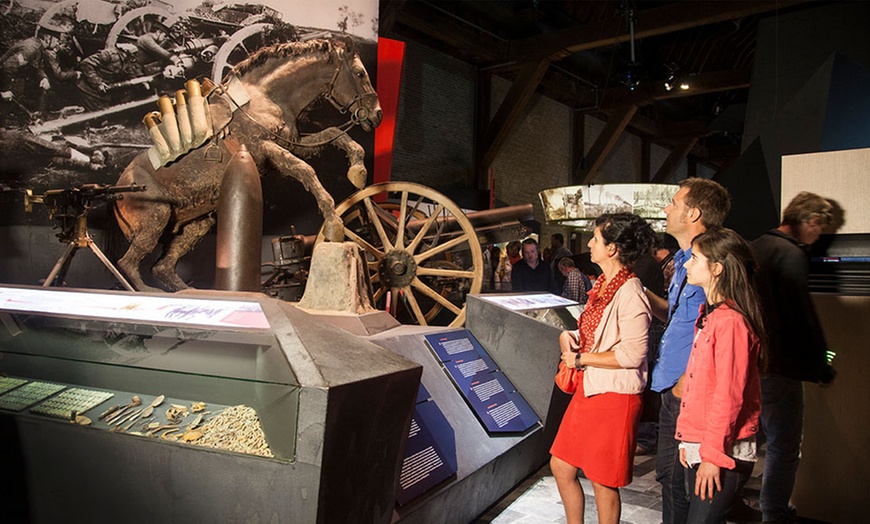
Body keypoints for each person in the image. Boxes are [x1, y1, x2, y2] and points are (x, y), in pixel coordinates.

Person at [550, 213, 656, 524]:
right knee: (561, 465)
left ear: (611, 249)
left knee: (603, 480)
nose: (590, 244)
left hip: (615, 397)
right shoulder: (605, 285)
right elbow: (597, 334)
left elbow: (634, 353)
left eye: (595, 239)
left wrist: (581, 360)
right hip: (592, 388)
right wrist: (570, 336)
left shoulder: (631, 291)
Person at [645, 178, 731, 524]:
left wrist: (685, 384)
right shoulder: (684, 260)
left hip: (690, 393)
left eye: (673, 202)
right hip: (675, 388)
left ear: (693, 212)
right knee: (670, 479)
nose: (666, 209)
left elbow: (719, 334)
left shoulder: (709, 262)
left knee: (688, 484)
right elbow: (681, 316)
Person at [751, 192, 835, 524]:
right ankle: (774, 513)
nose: (819, 237)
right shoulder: (790, 254)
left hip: (752, 363)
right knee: (784, 448)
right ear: (811, 220)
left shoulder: (755, 247)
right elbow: (802, 317)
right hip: (781, 367)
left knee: (746, 438)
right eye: (820, 229)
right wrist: (821, 366)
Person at [677, 227, 765, 523]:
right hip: (703, 444)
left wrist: (712, 456)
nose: (687, 264)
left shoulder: (730, 322)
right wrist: (687, 440)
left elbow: (728, 396)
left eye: (695, 258)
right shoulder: (713, 315)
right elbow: (700, 387)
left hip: (718, 450)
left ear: (716, 268)